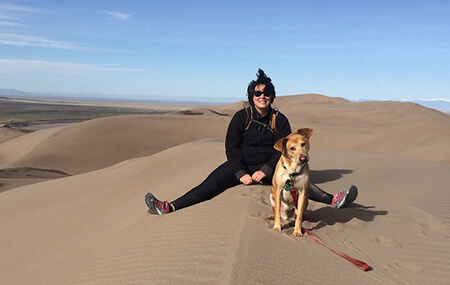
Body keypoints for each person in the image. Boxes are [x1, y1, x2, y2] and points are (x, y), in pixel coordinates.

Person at [145, 69, 357, 215]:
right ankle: (169, 207)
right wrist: (240, 173)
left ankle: (334, 200)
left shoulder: (279, 120)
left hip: (271, 168)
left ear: (272, 96)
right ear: (251, 96)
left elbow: (283, 151)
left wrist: (265, 170)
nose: (261, 96)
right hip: (241, 166)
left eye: (266, 93)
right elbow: (231, 147)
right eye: (257, 93)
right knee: (208, 186)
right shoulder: (241, 117)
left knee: (299, 181)